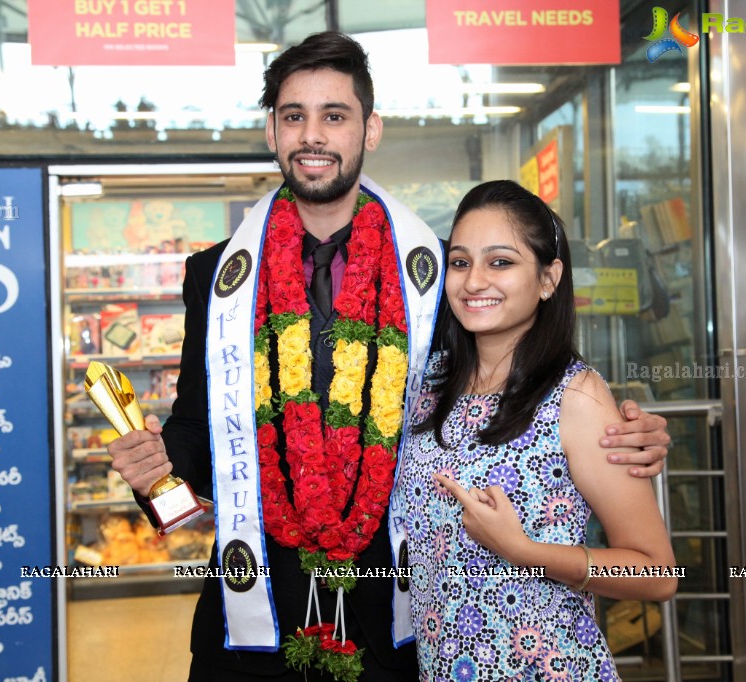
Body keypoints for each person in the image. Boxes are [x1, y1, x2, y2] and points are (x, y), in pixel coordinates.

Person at [106, 32, 670, 682]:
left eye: (334, 115)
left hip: (398, 616)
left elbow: (520, 384)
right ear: (271, 130)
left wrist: (626, 434)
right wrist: (156, 473)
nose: (312, 135)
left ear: (369, 130)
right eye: (294, 115)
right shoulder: (216, 275)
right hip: (255, 610)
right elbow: (195, 433)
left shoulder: (435, 271)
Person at [395, 180, 677, 681]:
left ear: (548, 279)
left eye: (500, 262)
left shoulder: (577, 397)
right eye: (460, 262)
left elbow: (656, 572)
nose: (474, 281)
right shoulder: (428, 386)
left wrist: (524, 553)